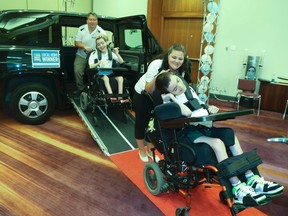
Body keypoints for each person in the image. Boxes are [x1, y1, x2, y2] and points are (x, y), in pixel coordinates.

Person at [154, 72, 284, 205]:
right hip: (188, 134)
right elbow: (187, 112)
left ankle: (251, 178)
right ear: (167, 92)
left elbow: (199, 104)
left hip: (201, 127)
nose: (181, 86)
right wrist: (171, 97)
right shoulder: (169, 102)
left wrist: (209, 107)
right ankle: (237, 187)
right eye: (175, 88)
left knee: (229, 133)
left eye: (179, 81)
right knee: (217, 143)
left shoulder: (189, 91)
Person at [133, 43, 191, 162]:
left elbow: (179, 90)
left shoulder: (182, 70)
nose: (177, 61)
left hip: (160, 96)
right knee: (141, 122)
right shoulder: (156, 64)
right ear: (168, 55)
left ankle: (149, 148)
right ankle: (141, 150)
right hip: (143, 94)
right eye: (174, 57)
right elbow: (148, 89)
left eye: (180, 58)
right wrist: (159, 76)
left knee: (154, 122)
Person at [73, 12, 107, 94]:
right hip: (81, 55)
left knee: (95, 72)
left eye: (94, 20)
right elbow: (76, 43)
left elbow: (106, 40)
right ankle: (80, 88)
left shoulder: (100, 31)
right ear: (87, 20)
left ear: (97, 21)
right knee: (77, 71)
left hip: (94, 56)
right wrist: (84, 46)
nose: (92, 22)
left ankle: (95, 90)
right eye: (90, 19)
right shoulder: (81, 29)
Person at [88, 35, 125, 100]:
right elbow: (90, 66)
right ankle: (111, 96)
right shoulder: (94, 54)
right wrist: (98, 63)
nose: (101, 46)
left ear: (106, 42)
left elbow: (121, 62)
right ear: (96, 46)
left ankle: (120, 97)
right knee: (105, 78)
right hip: (100, 74)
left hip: (110, 73)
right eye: (98, 44)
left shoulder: (110, 53)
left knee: (120, 78)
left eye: (102, 43)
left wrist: (116, 53)